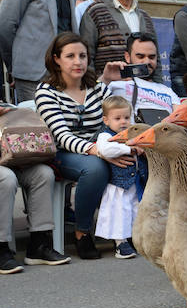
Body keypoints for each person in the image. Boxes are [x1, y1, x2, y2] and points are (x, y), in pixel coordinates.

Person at [34, 32, 129, 259]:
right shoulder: (46, 92)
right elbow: (61, 135)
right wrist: (97, 150)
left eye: (83, 56)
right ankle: (82, 231)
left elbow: (119, 122)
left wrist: (126, 146)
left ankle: (128, 230)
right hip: (63, 153)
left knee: (130, 160)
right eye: (70, 56)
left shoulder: (99, 89)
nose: (78, 62)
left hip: (101, 147)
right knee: (96, 168)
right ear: (56, 59)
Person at [0, 99, 71, 272]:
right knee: (7, 179)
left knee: (44, 173)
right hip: (5, 169)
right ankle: (1, 248)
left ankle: (38, 245)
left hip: (14, 159)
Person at [80, 0, 161, 84]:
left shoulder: (145, 17)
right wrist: (94, 89)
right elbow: (86, 56)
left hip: (145, 94)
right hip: (110, 93)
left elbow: (157, 59)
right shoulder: (95, 12)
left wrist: (158, 87)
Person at [93, 96, 146, 259]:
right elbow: (106, 150)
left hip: (136, 181)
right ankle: (120, 243)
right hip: (118, 184)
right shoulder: (105, 135)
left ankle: (134, 239)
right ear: (106, 120)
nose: (123, 122)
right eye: (117, 118)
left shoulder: (133, 133)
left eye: (126, 117)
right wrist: (129, 149)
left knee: (136, 210)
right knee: (119, 212)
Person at [106, 32, 179, 119]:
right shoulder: (115, 84)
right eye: (140, 56)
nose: (147, 61)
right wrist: (105, 79)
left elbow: (179, 119)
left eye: (151, 57)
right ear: (127, 57)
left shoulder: (168, 91)